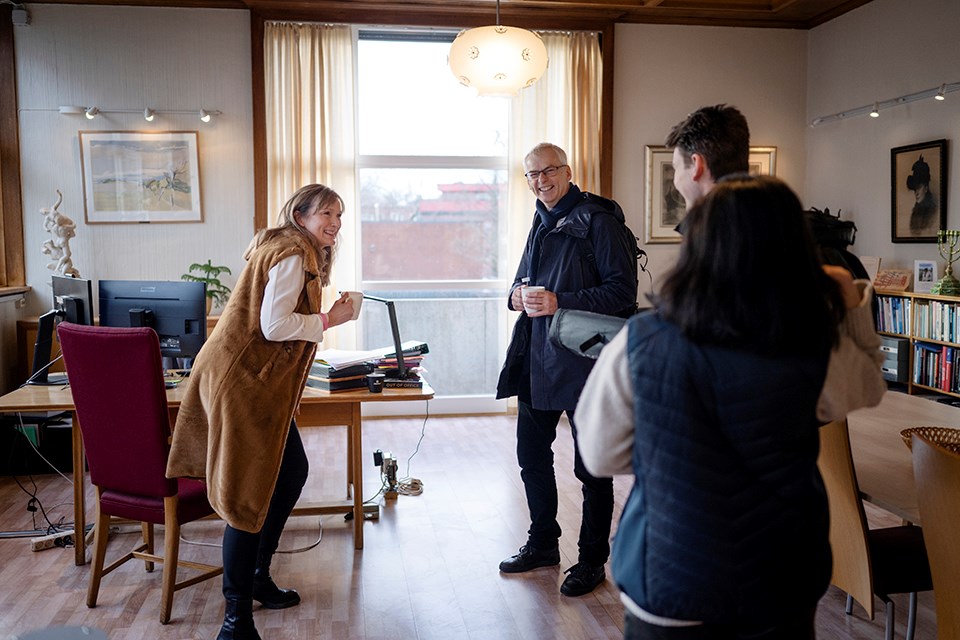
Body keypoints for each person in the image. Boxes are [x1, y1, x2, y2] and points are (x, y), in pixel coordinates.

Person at [576, 175, 884, 639]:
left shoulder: (640, 342)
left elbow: (599, 455)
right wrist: (850, 297)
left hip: (669, 576)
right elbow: (868, 389)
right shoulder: (812, 346)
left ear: (698, 245)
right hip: (778, 581)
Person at [166, 184, 357, 640]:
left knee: (289, 473)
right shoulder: (294, 252)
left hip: (251, 382)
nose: (334, 223)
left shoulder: (286, 247)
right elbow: (275, 326)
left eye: (339, 215)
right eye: (326, 213)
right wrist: (334, 318)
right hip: (244, 384)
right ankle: (236, 621)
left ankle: (256, 577)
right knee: (247, 494)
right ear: (300, 215)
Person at [495, 142, 638, 597]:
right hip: (537, 360)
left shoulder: (600, 221)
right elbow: (519, 284)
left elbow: (622, 292)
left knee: (591, 467)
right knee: (531, 459)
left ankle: (592, 560)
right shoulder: (541, 221)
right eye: (532, 174)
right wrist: (517, 297)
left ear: (568, 171)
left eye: (548, 170)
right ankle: (543, 544)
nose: (540, 180)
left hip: (586, 364)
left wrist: (561, 301)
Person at [907, 155, 937, 235]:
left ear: (926, 188)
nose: (916, 193)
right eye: (915, 189)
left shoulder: (932, 211)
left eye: (919, 187)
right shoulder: (916, 211)